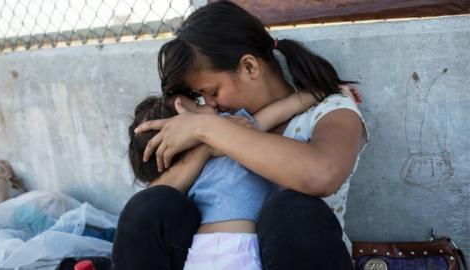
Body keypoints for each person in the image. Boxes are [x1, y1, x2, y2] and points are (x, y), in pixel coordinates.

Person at [112, 1, 368, 269]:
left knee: (291, 210)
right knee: (147, 208)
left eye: (213, 92)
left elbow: (322, 174)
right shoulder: (218, 127)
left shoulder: (329, 110)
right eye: (201, 97)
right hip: (209, 257)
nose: (209, 104)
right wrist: (204, 147)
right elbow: (142, 218)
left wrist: (207, 129)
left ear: (249, 67)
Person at [127, 92, 321, 269]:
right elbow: (147, 203)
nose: (209, 106)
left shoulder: (232, 128)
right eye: (198, 105)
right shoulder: (187, 168)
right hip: (206, 251)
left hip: (233, 248)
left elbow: (280, 109)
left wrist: (318, 92)